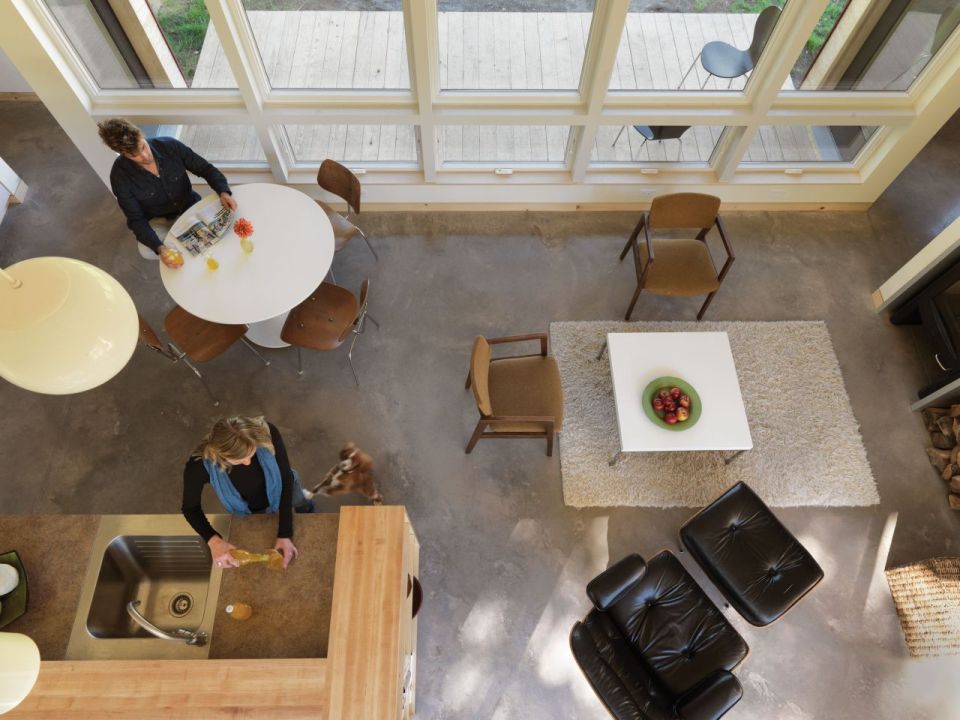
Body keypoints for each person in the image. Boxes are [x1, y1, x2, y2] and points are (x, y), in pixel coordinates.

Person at [97, 118, 238, 268]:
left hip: (189, 206)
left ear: (141, 135)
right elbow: (136, 219)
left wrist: (223, 192)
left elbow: (205, 169)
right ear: (122, 154)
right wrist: (160, 248)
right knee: (147, 250)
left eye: (143, 147)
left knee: (223, 232)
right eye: (135, 155)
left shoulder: (170, 145)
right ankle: (187, 255)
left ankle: (189, 248)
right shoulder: (119, 177)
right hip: (160, 221)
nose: (144, 156)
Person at [182, 416, 314, 569]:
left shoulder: (266, 432)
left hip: (285, 489)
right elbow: (190, 509)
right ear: (220, 456)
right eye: (239, 460)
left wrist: (285, 532)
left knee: (300, 500)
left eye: (252, 453)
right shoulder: (198, 466)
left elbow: (285, 478)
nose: (248, 462)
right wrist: (215, 542)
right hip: (249, 509)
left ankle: (307, 508)